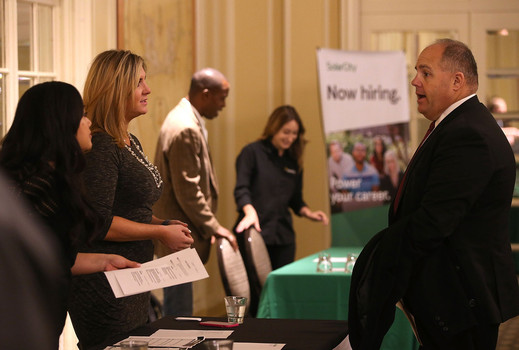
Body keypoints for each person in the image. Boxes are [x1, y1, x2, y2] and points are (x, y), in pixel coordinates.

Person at [348, 39, 519, 350]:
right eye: (416, 72)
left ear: (457, 81)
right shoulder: (455, 125)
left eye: (425, 73)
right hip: (453, 300)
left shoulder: (469, 133)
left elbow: (435, 222)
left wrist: (383, 255)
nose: (415, 81)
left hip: (461, 302)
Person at [68, 50, 194, 349]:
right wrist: (160, 232)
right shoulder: (100, 145)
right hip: (105, 283)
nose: (147, 89)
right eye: (139, 82)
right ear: (116, 89)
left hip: (133, 279)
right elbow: (97, 221)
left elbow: (129, 208)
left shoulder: (127, 140)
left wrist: (162, 222)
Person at [0, 81, 140, 349]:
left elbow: (56, 256)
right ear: (61, 123)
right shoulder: (36, 187)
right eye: (82, 115)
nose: (88, 123)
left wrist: (104, 260)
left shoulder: (51, 178)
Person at [153, 67, 237, 317]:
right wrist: (213, 226)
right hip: (179, 233)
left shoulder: (186, 118)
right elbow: (188, 189)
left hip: (182, 230)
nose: (223, 105)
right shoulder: (185, 127)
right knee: (178, 313)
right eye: (222, 98)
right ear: (206, 94)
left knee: (179, 306)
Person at [233, 105, 329, 270]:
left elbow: (296, 200)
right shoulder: (252, 153)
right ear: (274, 128)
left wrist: (309, 213)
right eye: (286, 132)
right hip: (253, 233)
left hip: (283, 239)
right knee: (255, 293)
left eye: (294, 133)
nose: (290, 138)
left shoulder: (293, 161)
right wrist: (249, 211)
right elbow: (241, 189)